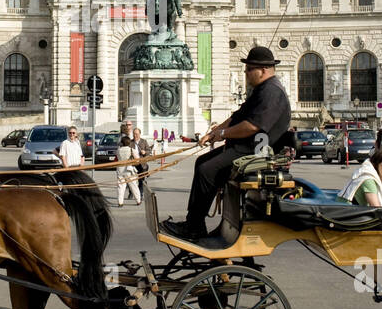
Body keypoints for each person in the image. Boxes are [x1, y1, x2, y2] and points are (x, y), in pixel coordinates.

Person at [167, 46, 291, 241]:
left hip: (256, 153)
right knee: (202, 163)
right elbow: (237, 117)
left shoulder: (272, 92)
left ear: (264, 70)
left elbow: (252, 126)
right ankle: (197, 223)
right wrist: (214, 132)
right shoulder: (261, 90)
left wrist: (223, 133)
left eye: (249, 69)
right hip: (244, 148)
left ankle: (194, 227)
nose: (246, 73)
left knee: (207, 170)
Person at [116, 127, 141, 207]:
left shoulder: (118, 150)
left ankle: (120, 202)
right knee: (133, 185)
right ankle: (138, 200)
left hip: (120, 169)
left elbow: (117, 157)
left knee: (121, 186)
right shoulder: (131, 150)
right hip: (129, 169)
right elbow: (137, 160)